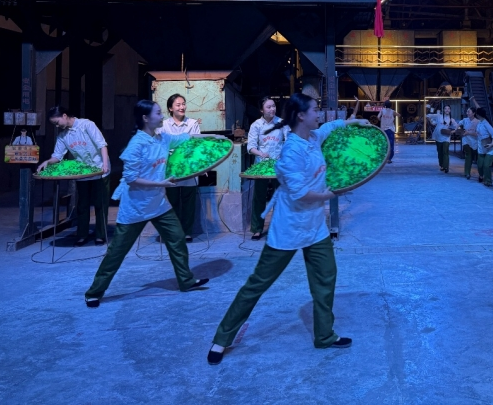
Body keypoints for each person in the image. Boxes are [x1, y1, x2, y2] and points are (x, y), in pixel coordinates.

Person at [207, 94, 371, 365]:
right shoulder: (291, 151)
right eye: (315, 110)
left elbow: (331, 127)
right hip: (289, 226)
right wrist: (332, 194)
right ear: (301, 116)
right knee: (258, 283)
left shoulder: (313, 137)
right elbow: (301, 194)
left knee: (325, 277)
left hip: (314, 227)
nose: (319, 114)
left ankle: (324, 335)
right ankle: (221, 338)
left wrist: (355, 122)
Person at [84, 100, 213, 308]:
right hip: (136, 207)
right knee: (117, 252)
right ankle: (94, 292)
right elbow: (131, 179)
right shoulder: (137, 145)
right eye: (158, 113)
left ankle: (186, 280)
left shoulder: (162, 138)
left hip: (159, 204)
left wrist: (215, 139)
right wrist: (161, 183)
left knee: (177, 239)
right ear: (145, 118)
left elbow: (185, 137)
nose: (162, 117)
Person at [37, 105, 111, 246]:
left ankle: (100, 235)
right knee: (82, 204)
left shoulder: (87, 125)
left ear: (65, 116)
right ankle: (82, 235)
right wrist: (48, 162)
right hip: (82, 171)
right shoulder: (63, 136)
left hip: (100, 169)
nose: (57, 126)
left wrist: (105, 164)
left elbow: (102, 145)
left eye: (57, 122)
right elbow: (57, 156)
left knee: (100, 203)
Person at [157, 94, 201, 242]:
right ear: (170, 108)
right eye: (178, 105)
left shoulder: (192, 124)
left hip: (189, 168)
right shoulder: (164, 125)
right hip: (170, 169)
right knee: (171, 201)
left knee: (189, 202)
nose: (182, 107)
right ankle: (172, 233)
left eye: (183, 104)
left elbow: (195, 146)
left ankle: (187, 232)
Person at [246, 97, 288, 240]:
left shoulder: (281, 123)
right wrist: (260, 154)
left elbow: (289, 141)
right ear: (261, 110)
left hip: (278, 165)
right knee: (259, 197)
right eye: (268, 107)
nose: (272, 109)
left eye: (273, 106)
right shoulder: (256, 125)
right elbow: (251, 146)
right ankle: (257, 229)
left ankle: (279, 228)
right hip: (261, 166)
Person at [427, 104, 458, 173]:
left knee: (445, 151)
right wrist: (430, 121)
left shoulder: (451, 120)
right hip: (438, 136)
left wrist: (452, 131)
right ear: (443, 110)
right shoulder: (439, 116)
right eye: (445, 108)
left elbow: (457, 126)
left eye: (448, 109)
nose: (447, 110)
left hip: (446, 137)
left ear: (450, 110)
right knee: (440, 152)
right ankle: (441, 165)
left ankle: (446, 166)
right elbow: (428, 116)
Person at [474, 108, 493, 187]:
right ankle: (481, 176)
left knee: (486, 165)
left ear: (478, 115)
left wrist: (492, 144)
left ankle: (488, 181)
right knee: (480, 165)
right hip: (481, 147)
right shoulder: (479, 122)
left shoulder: (486, 123)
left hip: (488, 147)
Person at [459, 106, 479, 180]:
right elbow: (458, 124)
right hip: (466, 140)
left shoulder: (477, 122)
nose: (467, 113)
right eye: (467, 112)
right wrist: (458, 130)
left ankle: (471, 172)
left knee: (472, 157)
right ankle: (467, 173)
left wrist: (468, 133)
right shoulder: (465, 120)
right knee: (468, 155)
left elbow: (477, 134)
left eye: (469, 112)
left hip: (474, 141)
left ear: (473, 113)